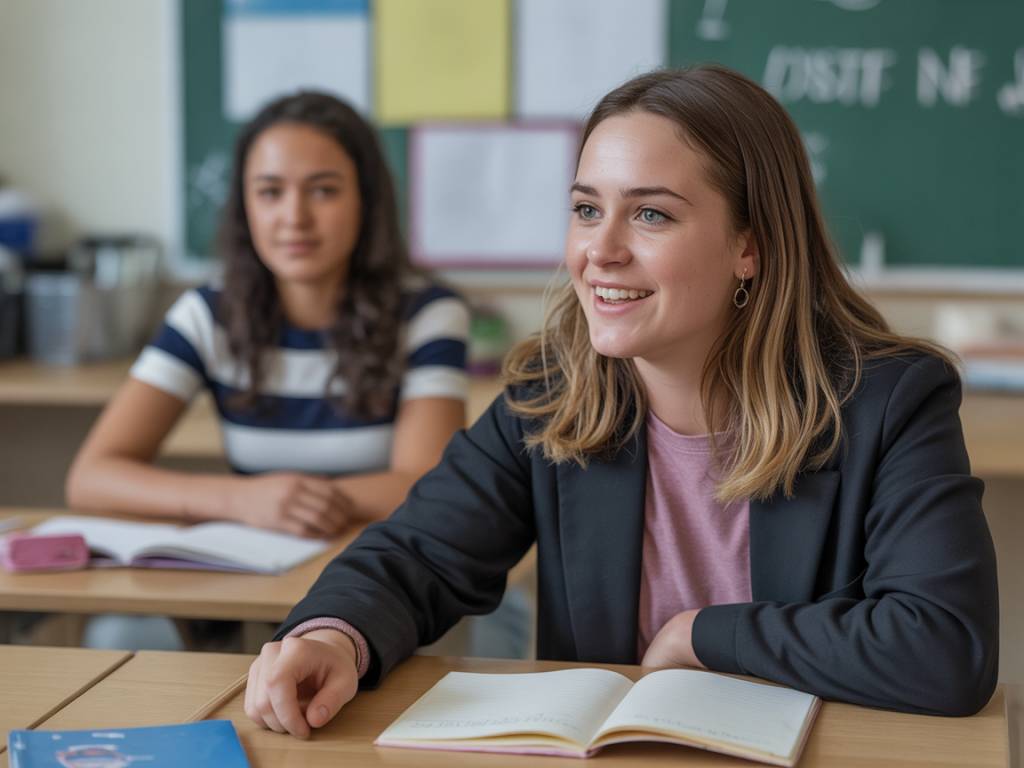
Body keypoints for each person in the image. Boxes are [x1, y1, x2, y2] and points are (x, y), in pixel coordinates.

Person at [243, 66, 999, 738]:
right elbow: (417, 555)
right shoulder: (553, 396)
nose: (599, 251)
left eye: (651, 214)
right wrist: (333, 637)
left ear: (751, 245)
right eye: (584, 209)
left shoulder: (888, 402)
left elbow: (942, 648)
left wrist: (704, 636)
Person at [64, 92, 470, 648]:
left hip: (384, 577)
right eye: (270, 191)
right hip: (251, 575)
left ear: (367, 201)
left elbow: (427, 485)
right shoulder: (208, 313)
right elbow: (92, 476)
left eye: (323, 190)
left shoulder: (427, 313)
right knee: (118, 635)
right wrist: (241, 500)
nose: (294, 217)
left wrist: (293, 502)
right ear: (245, 206)